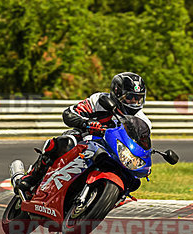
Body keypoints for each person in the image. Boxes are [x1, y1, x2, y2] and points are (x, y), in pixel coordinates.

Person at [15, 72, 150, 199]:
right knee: (64, 143)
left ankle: (111, 196)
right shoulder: (98, 100)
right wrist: (87, 122)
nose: (133, 102)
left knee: (133, 177)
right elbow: (69, 114)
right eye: (129, 97)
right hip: (85, 137)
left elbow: (141, 144)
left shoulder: (143, 121)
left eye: (138, 99)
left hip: (113, 150)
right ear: (117, 93)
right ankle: (31, 178)